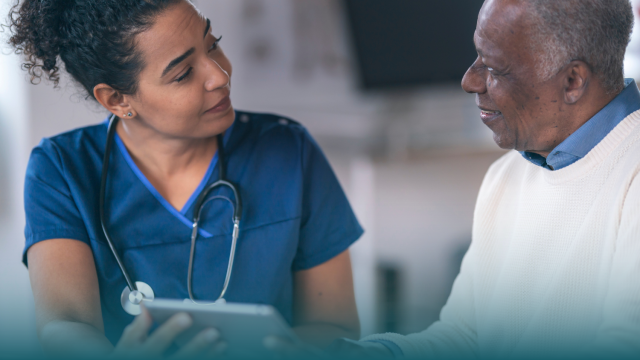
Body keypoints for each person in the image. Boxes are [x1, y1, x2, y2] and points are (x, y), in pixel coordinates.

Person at [272, 0, 640, 358]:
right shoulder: (507, 175)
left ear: (572, 80)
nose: (470, 81)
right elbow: (464, 336)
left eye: (495, 68)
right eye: (477, 57)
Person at [7, 0, 362, 357]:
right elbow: (66, 326)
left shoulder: (289, 151)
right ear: (116, 99)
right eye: (183, 74)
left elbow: (335, 326)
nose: (220, 76)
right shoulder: (62, 170)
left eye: (213, 45)